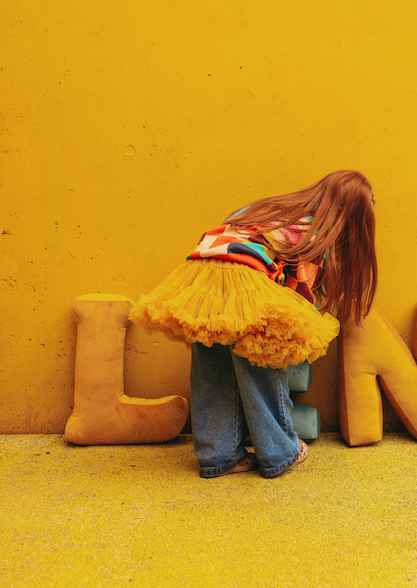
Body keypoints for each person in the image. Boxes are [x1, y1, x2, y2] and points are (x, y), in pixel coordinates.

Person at [130, 170, 377, 478]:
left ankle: (218, 456)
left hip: (201, 273)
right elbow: (299, 289)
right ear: (351, 213)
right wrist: (295, 322)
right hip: (246, 273)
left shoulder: (269, 208)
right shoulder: (312, 229)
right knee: (262, 361)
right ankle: (280, 452)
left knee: (212, 364)